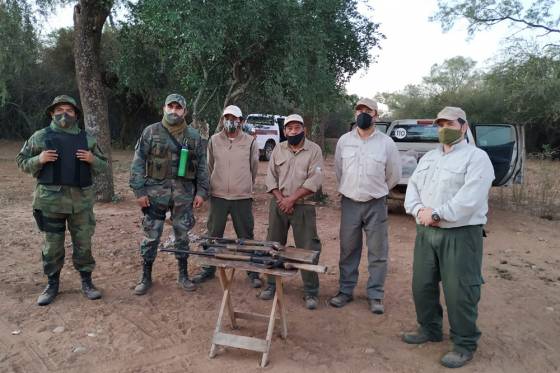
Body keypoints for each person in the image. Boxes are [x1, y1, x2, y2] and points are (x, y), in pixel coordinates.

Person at [402, 107, 495, 368]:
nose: (444, 128)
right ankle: (429, 329)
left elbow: (470, 198)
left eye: (449, 123)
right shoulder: (430, 157)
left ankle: (464, 342)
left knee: (460, 291)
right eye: (440, 124)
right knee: (422, 285)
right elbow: (413, 188)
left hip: (460, 234)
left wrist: (437, 214)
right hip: (426, 232)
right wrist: (419, 210)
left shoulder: (477, 158)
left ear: (464, 127)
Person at [16, 95, 107, 306]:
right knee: (52, 247)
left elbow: (103, 165)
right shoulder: (40, 137)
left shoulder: (87, 139)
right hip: (50, 203)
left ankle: (87, 282)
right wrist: (39, 159)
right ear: (51, 113)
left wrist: (92, 160)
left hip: (81, 204)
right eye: (59, 110)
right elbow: (21, 161)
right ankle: (52, 284)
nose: (64, 114)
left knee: (83, 245)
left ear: (76, 115)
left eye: (69, 110)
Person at [129, 93, 208, 295]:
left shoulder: (194, 136)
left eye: (178, 108)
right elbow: (138, 163)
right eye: (170, 107)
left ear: (185, 111)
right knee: (151, 235)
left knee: (182, 234)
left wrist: (201, 192)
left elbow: (201, 167)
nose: (174, 111)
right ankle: (146, 276)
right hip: (155, 195)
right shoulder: (151, 132)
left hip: (184, 195)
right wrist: (139, 191)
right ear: (164, 108)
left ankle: (183, 275)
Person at [329, 98, 401, 314]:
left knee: (378, 252)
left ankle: (376, 294)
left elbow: (394, 175)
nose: (362, 113)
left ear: (376, 115)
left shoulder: (386, 143)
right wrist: (352, 188)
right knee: (348, 249)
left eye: (367, 110)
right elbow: (339, 170)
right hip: (350, 202)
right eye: (359, 110)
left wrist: (376, 191)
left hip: (376, 203)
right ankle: (345, 290)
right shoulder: (344, 140)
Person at [191, 105, 261, 288]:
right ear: (222, 119)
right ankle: (208, 269)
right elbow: (210, 166)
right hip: (219, 196)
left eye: (234, 118)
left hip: (242, 197)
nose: (231, 121)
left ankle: (252, 271)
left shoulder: (250, 142)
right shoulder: (214, 140)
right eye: (227, 117)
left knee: (246, 235)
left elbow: (254, 168)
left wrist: (244, 185)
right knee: (213, 234)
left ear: (241, 121)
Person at [260, 114, 323, 310]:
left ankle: (311, 291)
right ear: (285, 131)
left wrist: (292, 199)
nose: (293, 132)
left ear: (304, 129)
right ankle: (271, 284)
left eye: (297, 128)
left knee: (307, 248)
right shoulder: (278, 149)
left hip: (303, 206)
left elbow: (315, 180)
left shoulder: (314, 150)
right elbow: (270, 178)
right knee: (273, 244)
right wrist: (282, 200)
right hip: (279, 204)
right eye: (289, 129)